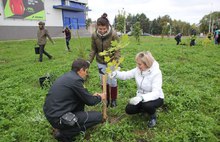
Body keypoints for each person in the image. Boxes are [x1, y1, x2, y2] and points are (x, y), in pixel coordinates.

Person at [43, 58, 106, 142]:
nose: (86, 74)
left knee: (80, 101)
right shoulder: (76, 81)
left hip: (52, 114)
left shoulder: (68, 77)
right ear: (81, 70)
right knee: (98, 117)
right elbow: (90, 101)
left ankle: (66, 126)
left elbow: (82, 96)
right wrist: (100, 97)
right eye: (86, 71)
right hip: (59, 118)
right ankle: (64, 134)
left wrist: (91, 96)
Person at [110, 51, 164, 128]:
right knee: (129, 109)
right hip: (140, 97)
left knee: (147, 105)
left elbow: (156, 93)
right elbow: (126, 75)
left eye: (139, 64)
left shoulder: (156, 73)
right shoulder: (138, 70)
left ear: (146, 63)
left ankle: (153, 116)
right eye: (137, 63)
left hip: (156, 98)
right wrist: (115, 73)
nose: (137, 66)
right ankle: (145, 110)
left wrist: (141, 98)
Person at [88, 13, 120, 107]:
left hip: (112, 61)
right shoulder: (94, 35)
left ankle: (113, 100)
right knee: (103, 81)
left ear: (107, 26)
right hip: (100, 62)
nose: (102, 31)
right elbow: (93, 49)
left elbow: (117, 49)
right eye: (100, 29)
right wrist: (88, 61)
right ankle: (106, 99)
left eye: (104, 28)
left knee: (112, 80)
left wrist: (117, 60)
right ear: (97, 27)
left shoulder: (113, 35)